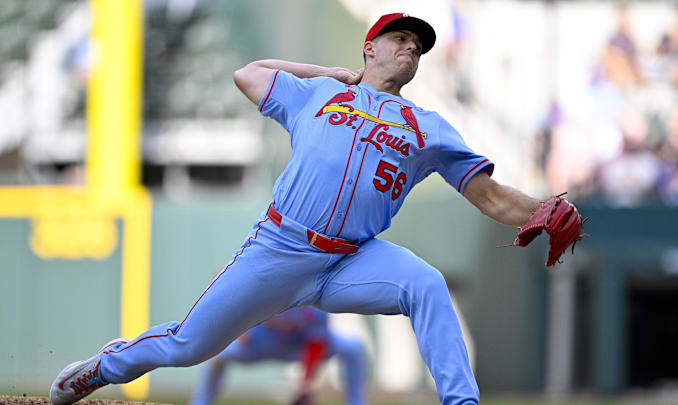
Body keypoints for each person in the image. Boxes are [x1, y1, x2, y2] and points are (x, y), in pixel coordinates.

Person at [50, 13, 583, 405]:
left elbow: (488, 196)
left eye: (419, 46)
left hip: (353, 259)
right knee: (188, 346)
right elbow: (247, 73)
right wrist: (324, 70)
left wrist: (542, 208)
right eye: (401, 38)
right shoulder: (319, 94)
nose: (411, 50)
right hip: (280, 249)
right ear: (369, 47)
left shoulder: (429, 127)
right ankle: (103, 367)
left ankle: (461, 403)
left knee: (426, 284)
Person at [189, 307, 367, 405]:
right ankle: (201, 401)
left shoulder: (316, 301)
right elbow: (233, 307)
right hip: (259, 346)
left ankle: (356, 401)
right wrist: (236, 327)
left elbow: (316, 344)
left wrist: (305, 388)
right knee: (217, 355)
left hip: (298, 348)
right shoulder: (264, 289)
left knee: (353, 347)